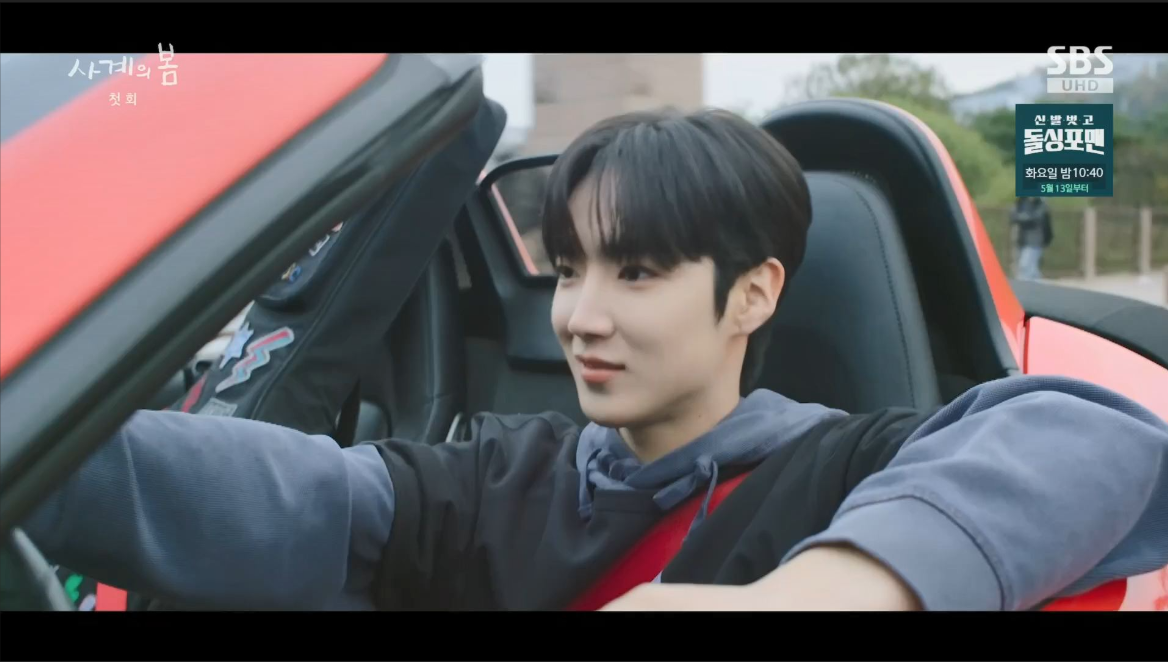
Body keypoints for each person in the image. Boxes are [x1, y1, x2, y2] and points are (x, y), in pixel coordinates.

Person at [23, 109, 1168, 612]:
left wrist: (822, 590)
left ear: (752, 293)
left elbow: (1095, 433)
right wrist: (39, 435)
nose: (580, 314)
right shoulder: (495, 479)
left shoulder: (847, 467)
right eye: (569, 268)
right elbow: (295, 493)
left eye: (637, 272)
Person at [1011, 196, 1052, 280]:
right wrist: (1022, 217)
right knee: (1030, 268)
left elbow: (1036, 218)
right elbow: (1013, 216)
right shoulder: (1022, 202)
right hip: (1023, 239)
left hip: (1035, 240)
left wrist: (1022, 217)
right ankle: (1035, 284)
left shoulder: (1040, 204)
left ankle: (1028, 285)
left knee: (1026, 265)